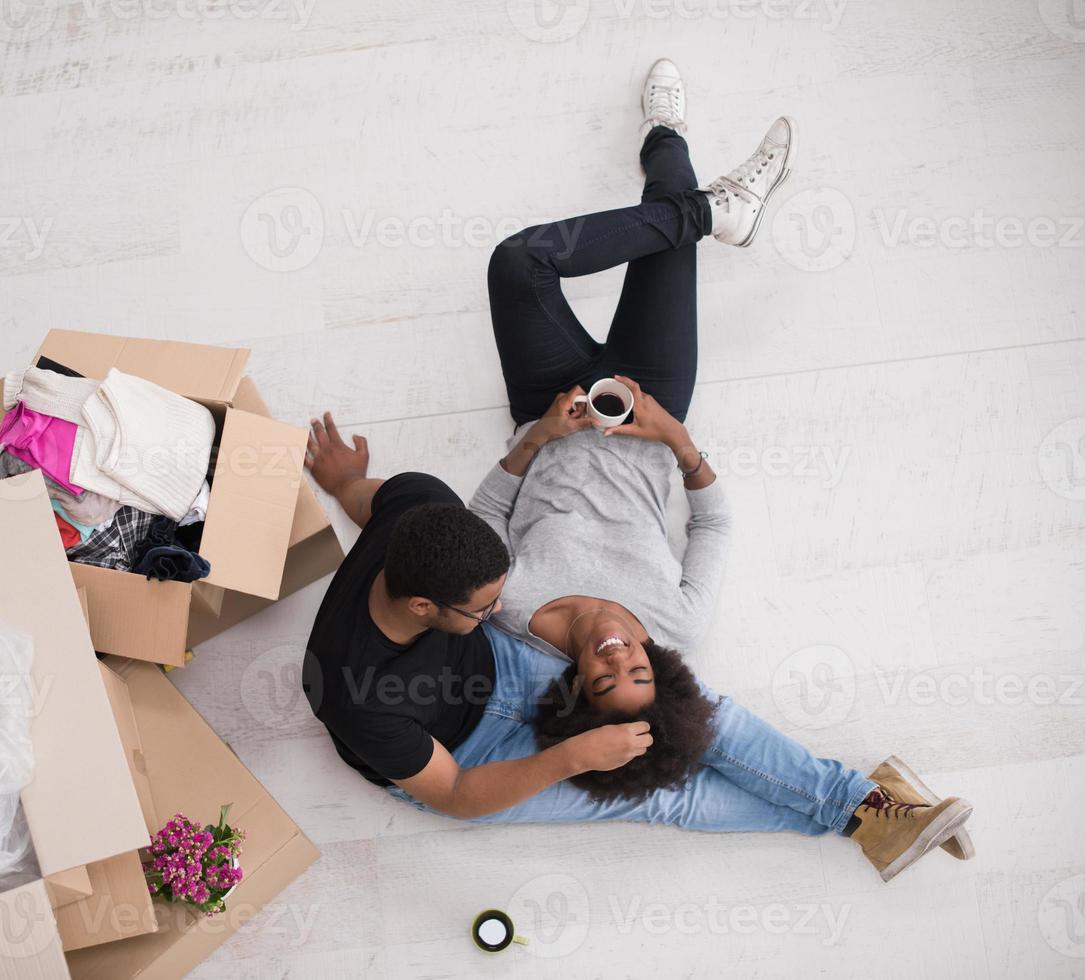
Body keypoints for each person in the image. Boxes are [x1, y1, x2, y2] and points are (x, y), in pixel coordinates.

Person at [301, 59, 974, 882]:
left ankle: (678, 164)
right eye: (479, 608)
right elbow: (460, 796)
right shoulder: (354, 694)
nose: (497, 606)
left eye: (490, 594)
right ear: (421, 606)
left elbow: (396, 506)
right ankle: (864, 816)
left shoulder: (425, 518)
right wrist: (574, 753)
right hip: (470, 748)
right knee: (662, 790)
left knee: (700, 722)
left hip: (538, 554)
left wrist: (344, 487)